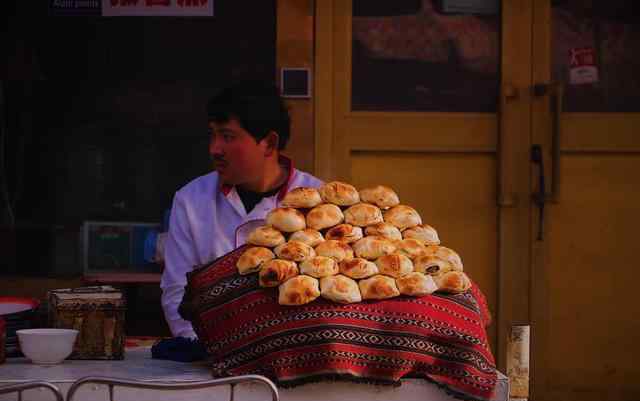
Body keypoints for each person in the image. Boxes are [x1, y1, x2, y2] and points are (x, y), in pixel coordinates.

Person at [160, 81, 323, 339]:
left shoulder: (319, 204)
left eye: (227, 137)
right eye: (212, 135)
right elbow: (176, 293)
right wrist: (208, 349)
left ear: (269, 143)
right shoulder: (191, 200)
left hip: (290, 350)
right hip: (207, 357)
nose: (214, 148)